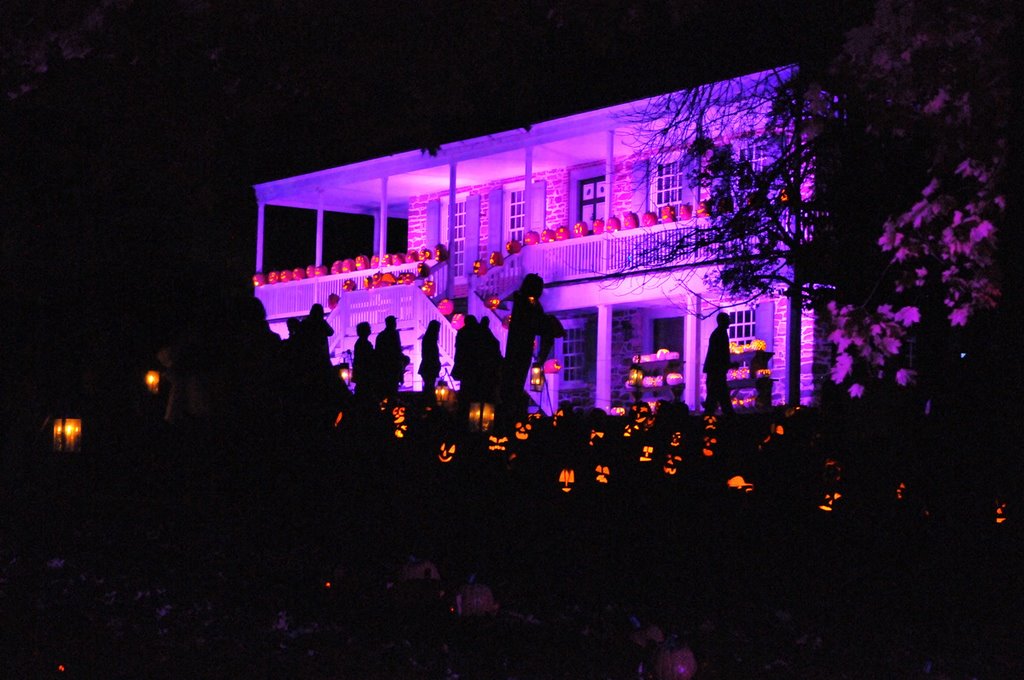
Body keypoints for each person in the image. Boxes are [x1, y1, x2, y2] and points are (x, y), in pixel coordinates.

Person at [498, 274, 552, 427]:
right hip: (519, 348)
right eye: (539, 287)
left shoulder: (528, 303)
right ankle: (511, 415)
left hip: (523, 348)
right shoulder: (525, 303)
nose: (541, 291)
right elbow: (535, 321)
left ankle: (513, 408)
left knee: (518, 379)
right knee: (515, 379)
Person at [703, 312, 737, 417]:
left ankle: (720, 412)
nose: (729, 322)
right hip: (716, 369)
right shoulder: (720, 334)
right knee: (719, 392)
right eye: (727, 319)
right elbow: (719, 354)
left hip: (716, 369)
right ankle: (726, 414)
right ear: (723, 321)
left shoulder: (719, 333)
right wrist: (729, 365)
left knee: (717, 393)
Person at [375, 315, 406, 398]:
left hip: (384, 367)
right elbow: (397, 350)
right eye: (394, 322)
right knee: (393, 390)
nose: (396, 324)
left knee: (385, 391)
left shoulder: (381, 335)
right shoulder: (394, 334)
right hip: (393, 366)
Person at [352, 321, 377, 402]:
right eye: (368, 328)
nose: (370, 329)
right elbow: (369, 357)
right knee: (365, 392)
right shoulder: (364, 343)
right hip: (365, 372)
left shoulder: (360, 343)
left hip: (361, 372)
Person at [418, 320, 442, 406]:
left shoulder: (427, 339)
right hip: (429, 366)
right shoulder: (431, 340)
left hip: (427, 366)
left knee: (428, 386)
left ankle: (427, 404)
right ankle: (428, 405)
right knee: (429, 387)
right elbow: (432, 355)